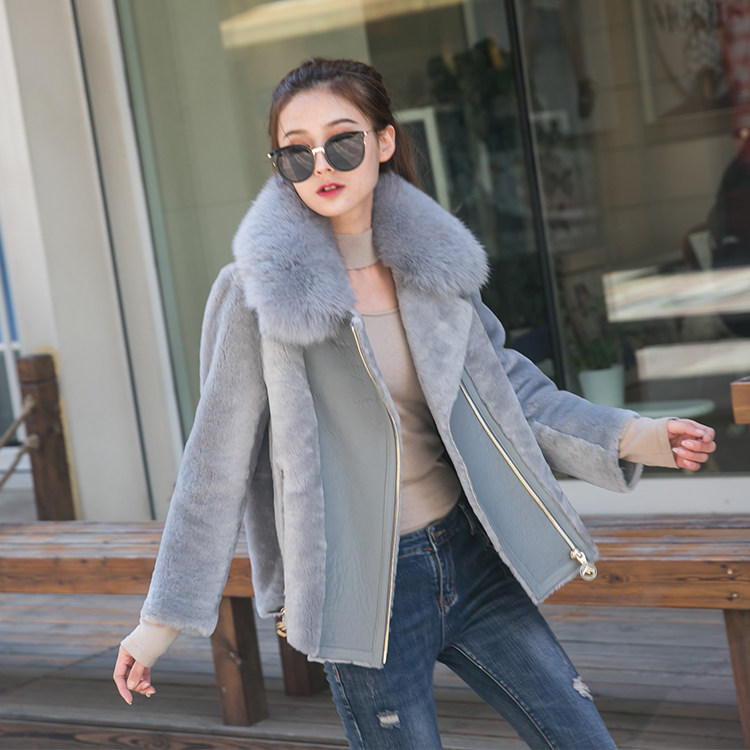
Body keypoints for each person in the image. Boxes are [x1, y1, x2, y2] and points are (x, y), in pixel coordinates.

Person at [113, 58, 716, 749]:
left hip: (471, 558)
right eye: (296, 152)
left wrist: (637, 436)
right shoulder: (255, 295)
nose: (321, 164)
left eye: (342, 140)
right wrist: (158, 624)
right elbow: (213, 467)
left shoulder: (435, 272)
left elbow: (512, 395)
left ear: (384, 141)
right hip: (362, 588)